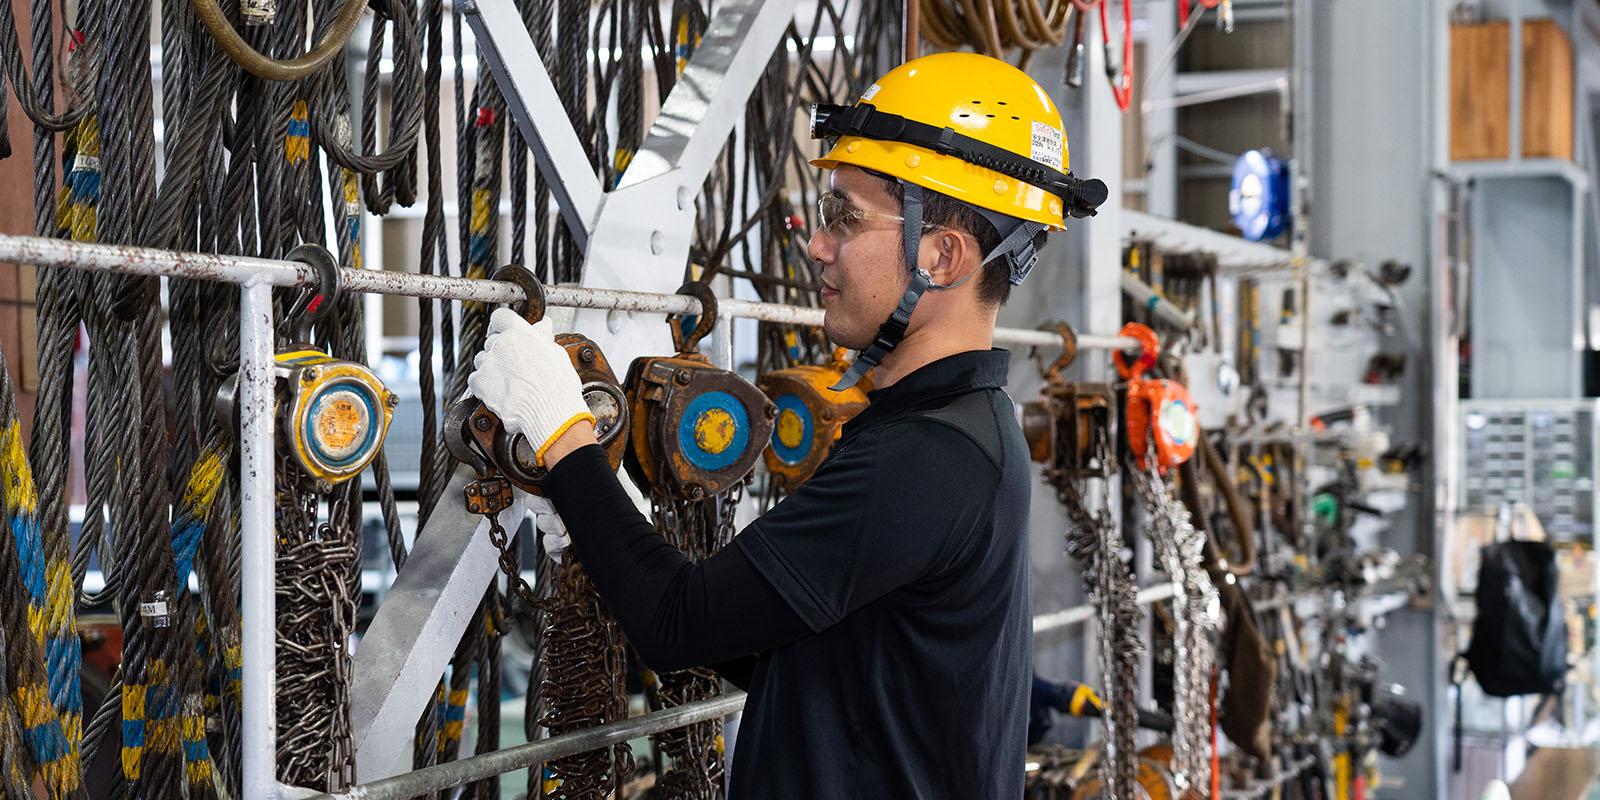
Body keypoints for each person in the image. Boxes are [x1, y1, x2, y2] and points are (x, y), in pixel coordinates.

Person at [466, 51, 1105, 798]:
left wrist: (564, 439)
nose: (816, 244)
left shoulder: (926, 458)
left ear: (942, 254)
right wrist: (603, 511)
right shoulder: (957, 428)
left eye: (844, 217)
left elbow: (680, 625)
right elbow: (782, 641)